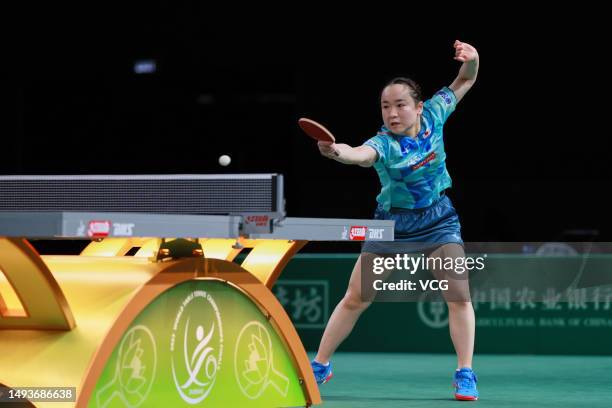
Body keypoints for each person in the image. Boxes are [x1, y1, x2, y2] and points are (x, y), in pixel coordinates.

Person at [311, 40, 480, 401]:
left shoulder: (435, 113)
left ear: (419, 107)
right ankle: (321, 366)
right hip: (391, 226)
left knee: (458, 296)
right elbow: (359, 155)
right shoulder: (384, 143)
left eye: (400, 105)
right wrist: (337, 151)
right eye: (386, 106)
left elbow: (464, 81)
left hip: (438, 221)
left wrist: (474, 59)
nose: (392, 113)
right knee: (356, 297)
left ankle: (465, 373)